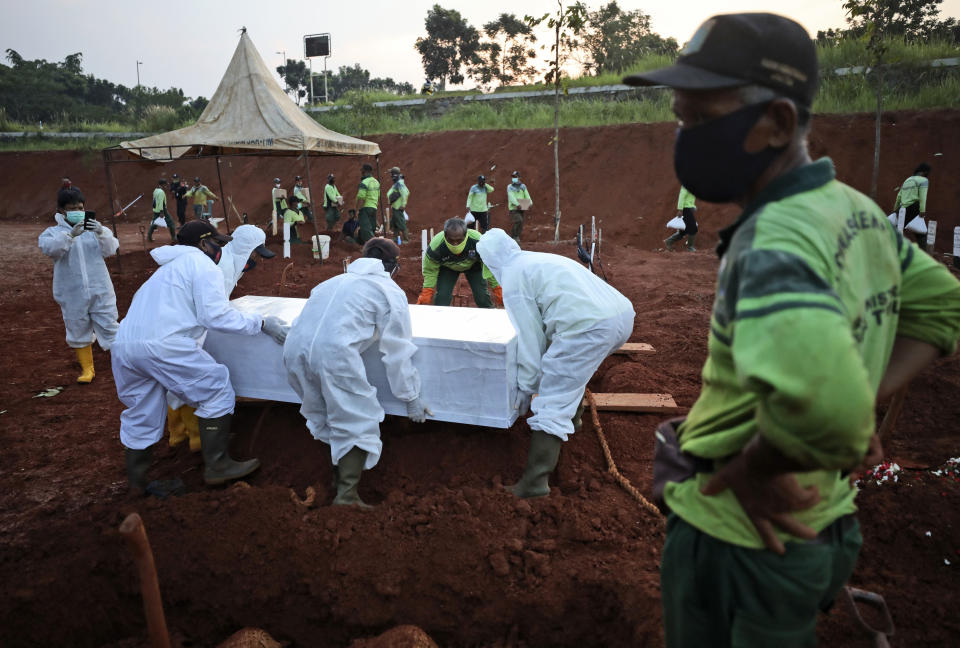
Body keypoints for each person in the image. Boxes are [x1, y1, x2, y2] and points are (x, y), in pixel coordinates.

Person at [623, 13, 960, 647]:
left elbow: (825, 410)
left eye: (699, 118)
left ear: (777, 122)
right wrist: (864, 402)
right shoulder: (854, 210)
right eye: (679, 118)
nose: (683, 136)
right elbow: (944, 308)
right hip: (823, 521)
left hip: (741, 536)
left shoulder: (772, 242)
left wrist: (756, 467)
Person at [111, 220, 289, 495]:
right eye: (217, 243)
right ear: (203, 244)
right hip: (164, 344)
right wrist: (262, 323)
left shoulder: (166, 270)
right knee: (216, 388)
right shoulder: (203, 266)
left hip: (125, 345)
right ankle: (218, 465)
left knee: (141, 413)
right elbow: (215, 315)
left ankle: (138, 485)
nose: (219, 249)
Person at [476, 228, 635, 498]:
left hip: (589, 328)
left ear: (489, 261)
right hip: (621, 316)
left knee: (552, 398)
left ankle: (534, 484)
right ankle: (574, 420)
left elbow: (531, 342)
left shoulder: (515, 280)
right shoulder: (536, 260)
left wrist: (525, 391)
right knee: (570, 372)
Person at [283, 238, 430, 507]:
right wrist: (410, 397)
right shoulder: (387, 290)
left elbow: (309, 324)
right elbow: (396, 349)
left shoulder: (330, 283)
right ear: (391, 266)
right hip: (334, 356)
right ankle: (347, 496)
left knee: (328, 414)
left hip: (295, 351)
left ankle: (337, 481)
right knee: (357, 419)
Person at [166, 224, 274, 452]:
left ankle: (177, 432)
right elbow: (214, 314)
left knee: (178, 378)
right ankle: (195, 436)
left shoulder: (230, 262)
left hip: (181, 325)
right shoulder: (220, 267)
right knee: (193, 379)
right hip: (182, 328)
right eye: (256, 253)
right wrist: (257, 323)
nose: (257, 259)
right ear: (246, 249)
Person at [38, 187, 120, 384]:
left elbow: (111, 249)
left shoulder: (94, 230)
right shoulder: (51, 233)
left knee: (110, 324)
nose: (77, 211)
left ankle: (122, 362)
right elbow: (51, 250)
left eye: (80, 207)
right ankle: (87, 369)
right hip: (71, 291)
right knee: (77, 325)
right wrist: (70, 236)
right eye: (72, 208)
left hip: (100, 287)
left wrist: (101, 232)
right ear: (61, 210)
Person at [417, 218, 500, 308]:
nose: (455, 244)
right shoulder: (436, 246)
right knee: (442, 297)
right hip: (448, 268)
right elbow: (430, 270)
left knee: (481, 295)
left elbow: (489, 264)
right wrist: (427, 291)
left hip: (474, 266)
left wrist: (497, 287)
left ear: (466, 235)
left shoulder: (478, 241)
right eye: (451, 241)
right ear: (445, 236)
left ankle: (488, 315)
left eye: (459, 240)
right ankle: (439, 318)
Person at [894, 162, 931, 250]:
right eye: (927, 173)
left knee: (897, 230)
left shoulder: (907, 180)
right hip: (913, 207)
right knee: (921, 234)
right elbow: (923, 196)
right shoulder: (924, 180)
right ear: (924, 172)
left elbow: (899, 196)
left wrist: (895, 209)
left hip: (902, 209)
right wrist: (922, 210)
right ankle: (924, 255)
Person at [665, 186, 698, 251]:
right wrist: (680, 209)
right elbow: (681, 197)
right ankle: (690, 247)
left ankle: (669, 241)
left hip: (689, 208)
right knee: (693, 227)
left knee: (685, 230)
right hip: (685, 208)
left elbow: (690, 198)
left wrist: (693, 206)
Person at [355, 163, 381, 244]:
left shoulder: (364, 182)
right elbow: (378, 195)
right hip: (374, 207)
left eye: (362, 170)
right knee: (372, 227)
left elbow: (361, 197)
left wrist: (358, 210)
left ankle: (374, 245)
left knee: (366, 229)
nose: (361, 171)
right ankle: (362, 243)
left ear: (365, 171)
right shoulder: (376, 182)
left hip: (365, 208)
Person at [506, 171, 532, 241]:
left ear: (519, 178)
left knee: (520, 223)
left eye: (515, 177)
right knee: (519, 220)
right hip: (513, 208)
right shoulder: (510, 187)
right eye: (513, 177)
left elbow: (527, 195)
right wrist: (517, 204)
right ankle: (514, 236)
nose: (513, 178)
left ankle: (516, 236)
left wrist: (530, 203)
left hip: (522, 208)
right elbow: (511, 197)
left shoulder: (523, 186)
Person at [148, 178, 176, 243]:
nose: (166, 186)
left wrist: (156, 209)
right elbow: (161, 202)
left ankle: (149, 237)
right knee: (171, 223)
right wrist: (162, 212)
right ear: (163, 184)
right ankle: (174, 237)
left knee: (154, 223)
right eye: (165, 185)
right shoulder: (161, 192)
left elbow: (154, 201)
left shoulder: (156, 190)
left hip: (156, 210)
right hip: (162, 210)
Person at [387, 166, 410, 243]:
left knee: (401, 223)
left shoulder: (399, 183)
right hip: (395, 207)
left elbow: (405, 193)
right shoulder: (398, 183)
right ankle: (395, 238)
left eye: (392, 174)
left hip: (398, 207)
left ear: (394, 174)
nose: (391, 176)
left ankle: (406, 239)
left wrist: (403, 205)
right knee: (395, 223)